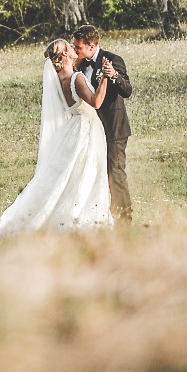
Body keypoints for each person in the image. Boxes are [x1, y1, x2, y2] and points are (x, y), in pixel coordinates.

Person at [0, 39, 113, 240]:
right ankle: (82, 218)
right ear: (64, 55)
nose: (74, 50)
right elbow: (96, 102)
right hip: (86, 130)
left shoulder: (61, 80)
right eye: (69, 48)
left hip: (74, 128)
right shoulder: (77, 78)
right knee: (87, 173)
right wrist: (105, 78)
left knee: (73, 175)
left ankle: (73, 216)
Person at [71, 25, 133, 224]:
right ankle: (103, 216)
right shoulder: (79, 66)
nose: (75, 50)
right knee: (96, 174)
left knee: (115, 173)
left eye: (78, 47)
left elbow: (127, 90)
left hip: (113, 128)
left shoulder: (113, 59)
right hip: (91, 131)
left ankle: (125, 219)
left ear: (91, 46)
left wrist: (113, 75)